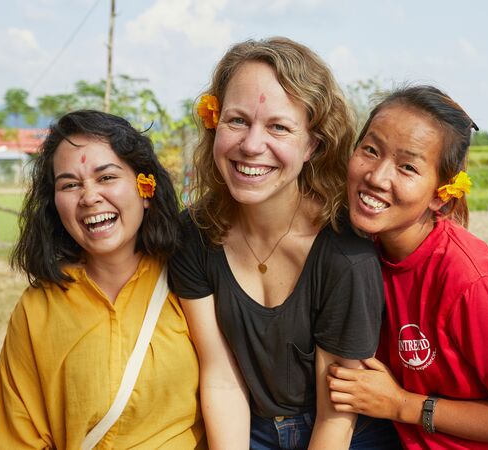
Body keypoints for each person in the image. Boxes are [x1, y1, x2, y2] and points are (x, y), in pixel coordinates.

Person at [169, 37, 399, 449]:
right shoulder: (194, 234)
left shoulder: (345, 255)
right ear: (215, 124)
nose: (252, 145)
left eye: (278, 127)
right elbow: (221, 379)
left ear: (312, 144)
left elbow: (337, 414)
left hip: (345, 433)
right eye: (237, 120)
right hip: (248, 427)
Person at [327, 86, 488, 449]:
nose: (377, 177)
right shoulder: (359, 247)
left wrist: (400, 404)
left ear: (442, 194)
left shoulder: (471, 281)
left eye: (407, 167)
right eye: (371, 150)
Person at [0, 110, 205, 449]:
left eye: (106, 177)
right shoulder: (36, 311)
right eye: (70, 184)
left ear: (145, 188)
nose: (89, 197)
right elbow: (15, 438)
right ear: (54, 204)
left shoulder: (193, 283)